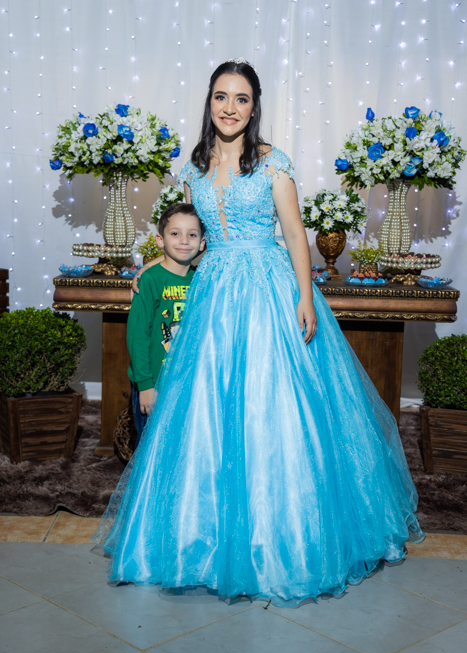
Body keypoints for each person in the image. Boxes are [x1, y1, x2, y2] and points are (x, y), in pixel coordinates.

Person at [91, 59, 425, 607]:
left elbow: (294, 234)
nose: (230, 107)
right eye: (221, 96)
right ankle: (198, 538)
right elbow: (186, 232)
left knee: (274, 406)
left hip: (269, 290)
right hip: (213, 294)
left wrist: (304, 296)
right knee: (208, 409)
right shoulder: (193, 167)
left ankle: (282, 541)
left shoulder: (273, 162)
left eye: (241, 98)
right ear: (209, 102)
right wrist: (153, 265)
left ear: (254, 106)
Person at [127, 203, 205, 448]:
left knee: (180, 447)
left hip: (186, 384)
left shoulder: (202, 281)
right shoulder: (150, 280)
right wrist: (145, 385)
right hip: (154, 384)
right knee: (150, 447)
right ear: (160, 240)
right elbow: (138, 335)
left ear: (202, 243)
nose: (184, 241)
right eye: (175, 233)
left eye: (192, 235)